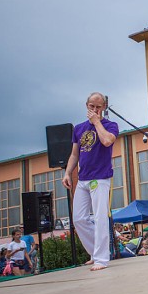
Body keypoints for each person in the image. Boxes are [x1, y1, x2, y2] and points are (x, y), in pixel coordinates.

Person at [62, 92, 119, 271]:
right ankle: (95, 253)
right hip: (83, 178)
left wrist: (97, 122)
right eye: (91, 106)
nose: (94, 109)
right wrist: (67, 173)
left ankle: (101, 259)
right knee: (78, 218)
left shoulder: (111, 125)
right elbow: (74, 154)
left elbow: (107, 141)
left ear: (103, 107)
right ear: (86, 105)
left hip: (100, 178)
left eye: (98, 107)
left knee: (101, 217)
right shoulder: (78, 128)